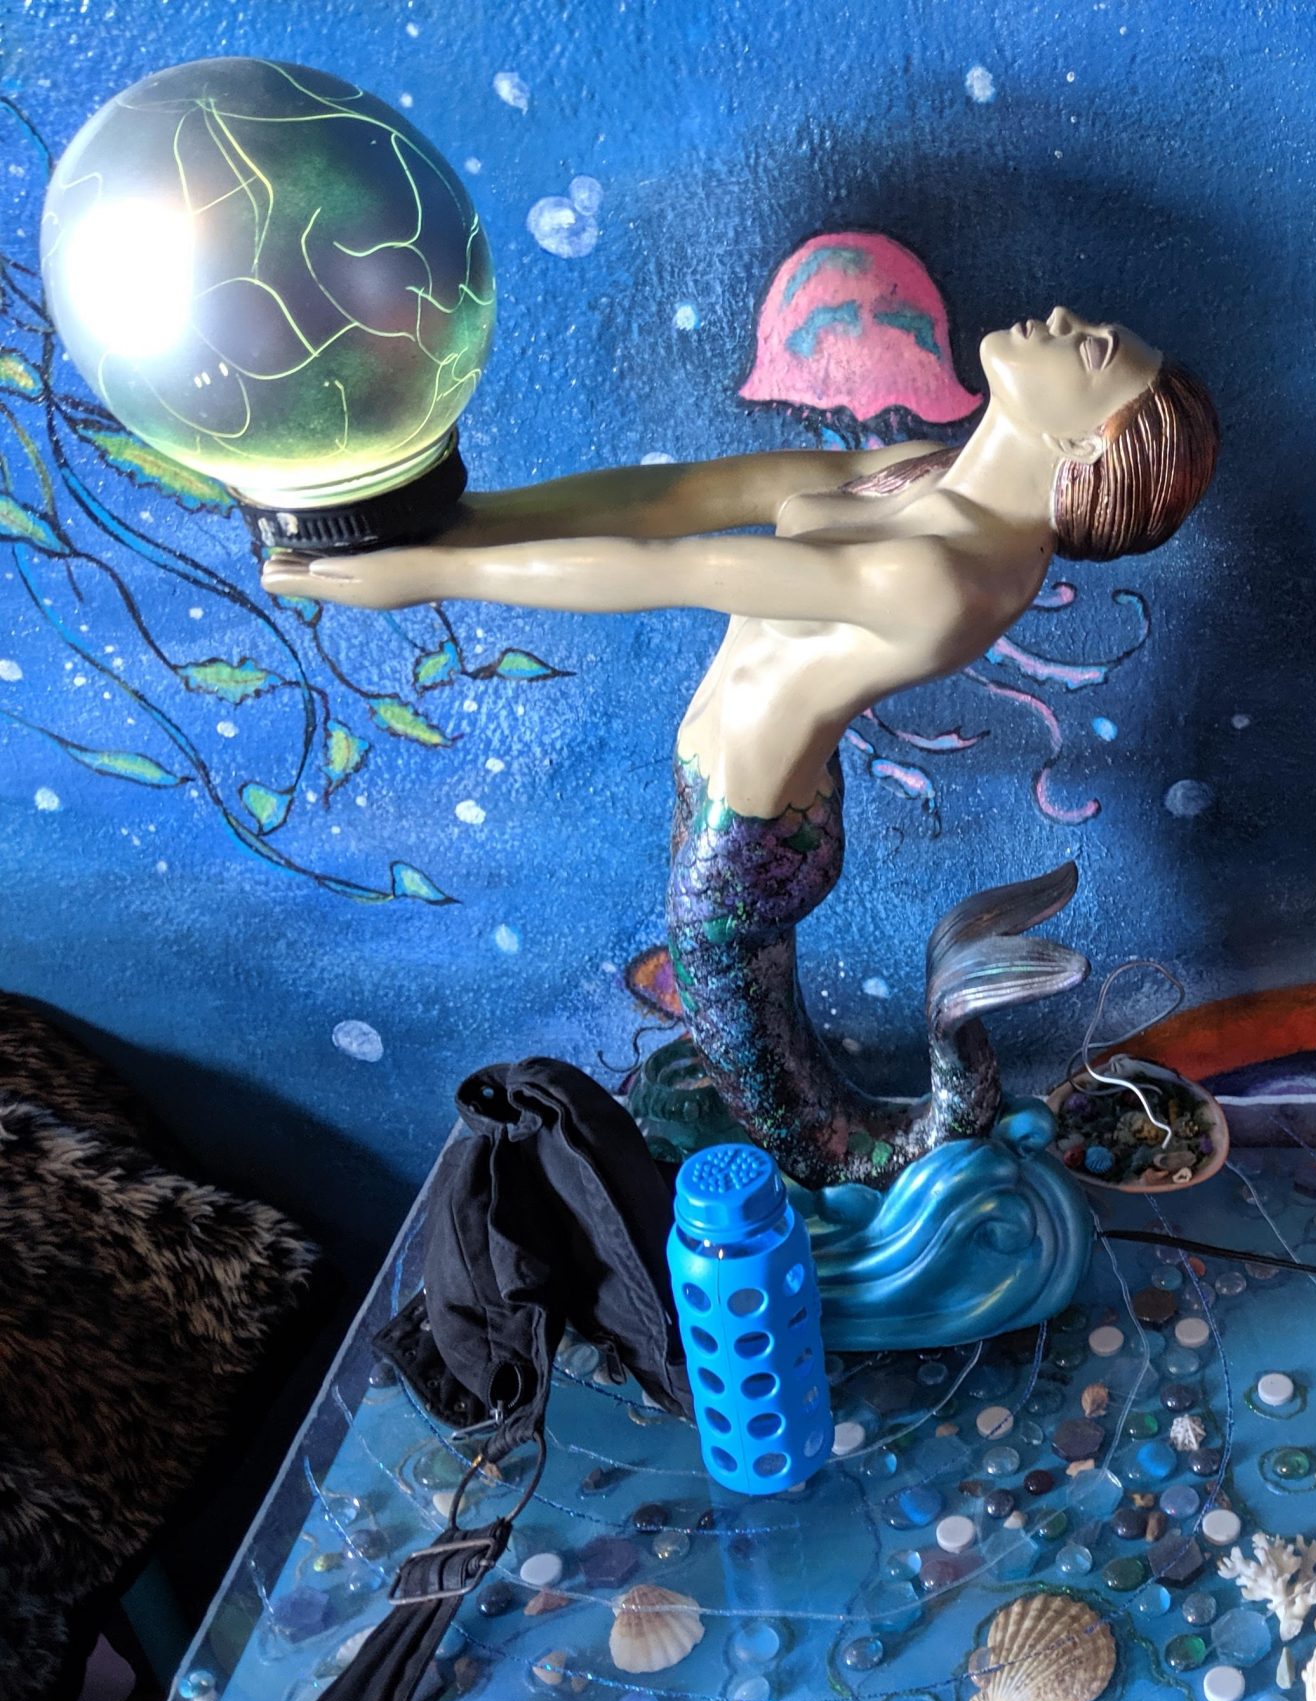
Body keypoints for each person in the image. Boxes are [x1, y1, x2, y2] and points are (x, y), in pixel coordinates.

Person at [269, 309, 1218, 1189]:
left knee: (785, 1112)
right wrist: (471, 520)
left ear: (1082, 443)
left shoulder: (946, 576)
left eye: (1094, 350)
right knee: (755, 1067)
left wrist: (426, 574)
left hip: (751, 847)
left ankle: (830, 1188)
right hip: (737, 799)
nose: (1069, 322)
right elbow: (690, 496)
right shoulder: (928, 473)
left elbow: (680, 567)